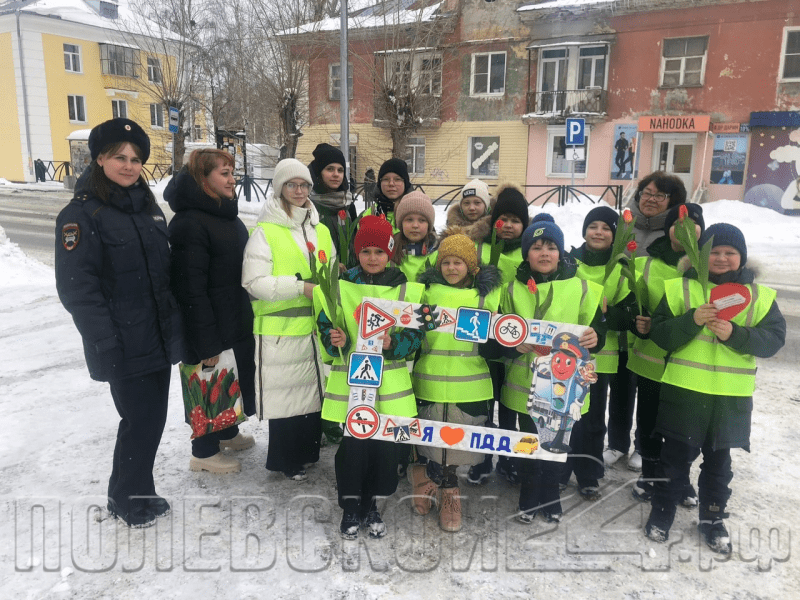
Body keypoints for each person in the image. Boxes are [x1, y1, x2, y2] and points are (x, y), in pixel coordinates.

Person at [55, 118, 183, 528]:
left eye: (136, 159)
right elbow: (78, 290)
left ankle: (139, 490)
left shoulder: (147, 208)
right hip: (121, 341)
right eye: (119, 158)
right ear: (99, 160)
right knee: (138, 421)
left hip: (156, 336)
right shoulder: (81, 215)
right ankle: (126, 500)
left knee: (152, 420)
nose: (129, 166)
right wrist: (105, 342)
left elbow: (163, 275)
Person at [644, 224, 786, 554]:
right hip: (684, 394)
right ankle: (662, 512)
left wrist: (736, 335)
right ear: (700, 256)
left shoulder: (760, 297)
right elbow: (660, 335)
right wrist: (691, 321)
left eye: (730, 252)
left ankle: (713, 518)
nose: (721, 258)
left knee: (719, 465)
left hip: (729, 399)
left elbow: (773, 340)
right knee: (673, 460)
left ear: (742, 257)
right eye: (714, 252)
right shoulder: (680, 288)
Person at [314, 215, 425, 540]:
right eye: (365, 251)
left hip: (390, 389)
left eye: (379, 251)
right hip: (354, 388)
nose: (372, 258)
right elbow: (326, 325)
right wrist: (336, 339)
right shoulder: (339, 287)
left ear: (390, 252)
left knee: (384, 452)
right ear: (356, 253)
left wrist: (395, 344)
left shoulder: (407, 289)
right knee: (353, 450)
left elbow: (416, 336)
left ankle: (372, 504)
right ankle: (350, 507)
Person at [499, 214, 605, 522]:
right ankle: (529, 496)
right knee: (530, 442)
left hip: (565, 384)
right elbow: (501, 334)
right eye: (536, 247)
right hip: (525, 384)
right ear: (526, 254)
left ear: (560, 253)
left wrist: (596, 338)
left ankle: (550, 495)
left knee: (558, 444)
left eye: (551, 247)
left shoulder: (582, 288)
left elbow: (597, 331)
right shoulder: (510, 290)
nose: (544, 253)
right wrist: (513, 345)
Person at [165, 148, 256, 474]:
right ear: (203, 179)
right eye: (224, 174)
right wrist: (205, 342)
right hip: (208, 323)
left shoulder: (223, 213)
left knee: (229, 380)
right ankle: (202, 452)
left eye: (233, 173)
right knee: (207, 383)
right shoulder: (190, 223)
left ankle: (227, 432)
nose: (232, 180)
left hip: (231, 316)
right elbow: (190, 289)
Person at [242, 159, 332, 481]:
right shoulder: (265, 232)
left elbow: (330, 273)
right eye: (292, 185)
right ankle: (285, 460)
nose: (299, 190)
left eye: (304, 185)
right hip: (281, 330)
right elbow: (253, 282)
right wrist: (299, 287)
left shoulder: (321, 230)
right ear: (280, 188)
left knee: (312, 395)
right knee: (287, 400)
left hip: (315, 328)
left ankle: (307, 453)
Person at [411, 231, 502, 531]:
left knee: (456, 444)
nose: (452, 268)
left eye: (458, 262)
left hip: (470, 383)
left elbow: (498, 341)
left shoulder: (487, 296)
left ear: (471, 266)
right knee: (429, 439)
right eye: (446, 262)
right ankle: (428, 480)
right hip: (430, 379)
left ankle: (447, 489)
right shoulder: (425, 293)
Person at [605, 171, 688, 472]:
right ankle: (616, 442)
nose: (650, 200)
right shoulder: (624, 225)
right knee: (620, 387)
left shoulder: (675, 232)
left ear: (672, 201)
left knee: (650, 391)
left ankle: (643, 445)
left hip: (654, 322)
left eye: (659, 195)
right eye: (646, 193)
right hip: (625, 316)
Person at [627, 203, 705, 507]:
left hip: (690, 368)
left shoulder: (710, 267)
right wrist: (638, 322)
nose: (684, 229)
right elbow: (631, 304)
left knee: (684, 431)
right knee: (649, 424)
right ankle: (649, 475)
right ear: (667, 228)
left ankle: (680, 479)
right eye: (676, 224)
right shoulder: (645, 264)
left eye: (692, 224)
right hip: (651, 362)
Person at [563, 205, 636, 500]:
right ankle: (562, 469)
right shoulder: (569, 261)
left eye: (606, 228)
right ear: (584, 231)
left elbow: (630, 315)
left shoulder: (621, 269)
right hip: (568, 352)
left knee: (593, 419)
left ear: (615, 235)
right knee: (567, 415)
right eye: (593, 226)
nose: (599, 232)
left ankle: (589, 472)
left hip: (601, 358)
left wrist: (609, 313)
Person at [467, 183, 531, 486]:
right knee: (485, 402)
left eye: (516, 221)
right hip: (485, 339)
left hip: (518, 341)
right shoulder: (479, 249)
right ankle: (482, 459)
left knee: (510, 405)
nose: (508, 226)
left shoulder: (529, 253)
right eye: (502, 219)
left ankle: (508, 459)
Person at [308, 143, 357, 266]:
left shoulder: (348, 204)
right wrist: (332, 266)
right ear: (319, 173)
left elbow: (355, 241)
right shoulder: (308, 205)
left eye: (340, 170)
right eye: (330, 169)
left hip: (349, 273)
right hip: (320, 271)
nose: (336, 174)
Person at [391, 190, 438, 282]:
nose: (415, 225)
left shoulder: (437, 253)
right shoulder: (389, 250)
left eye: (422, 220)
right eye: (409, 220)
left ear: (429, 225)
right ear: (401, 223)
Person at [362, 158, 413, 229]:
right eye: (386, 179)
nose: (391, 184)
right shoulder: (370, 214)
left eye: (397, 179)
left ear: (406, 183)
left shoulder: (415, 211)